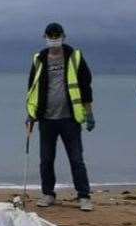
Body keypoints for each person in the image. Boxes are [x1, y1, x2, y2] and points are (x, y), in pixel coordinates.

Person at [25, 22, 95, 211]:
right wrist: (31, 115)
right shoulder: (39, 59)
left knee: (76, 159)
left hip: (70, 119)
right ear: (44, 36)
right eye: (50, 35)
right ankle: (48, 193)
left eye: (57, 35)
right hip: (46, 120)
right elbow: (32, 88)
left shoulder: (75, 57)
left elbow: (86, 86)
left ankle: (84, 196)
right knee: (46, 160)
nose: (54, 38)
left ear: (64, 36)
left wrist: (89, 113)